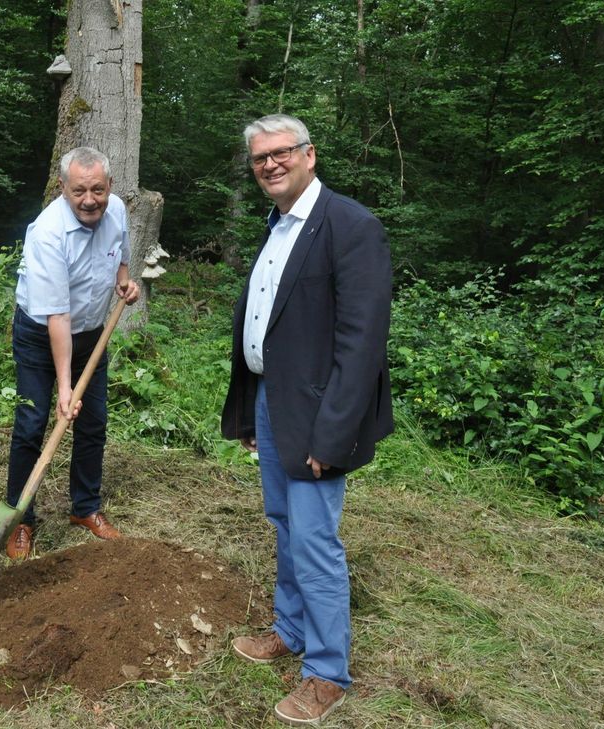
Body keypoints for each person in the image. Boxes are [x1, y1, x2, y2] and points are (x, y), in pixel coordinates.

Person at [221, 114, 393, 725]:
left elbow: (361, 344)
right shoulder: (277, 228)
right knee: (284, 522)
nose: (270, 164)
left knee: (316, 539)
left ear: (309, 155)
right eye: (259, 157)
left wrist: (334, 433)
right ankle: (289, 630)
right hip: (273, 403)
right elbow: (267, 322)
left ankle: (326, 672)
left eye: (281, 153)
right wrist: (250, 409)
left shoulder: (349, 226)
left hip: (320, 413)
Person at [3, 146, 141, 560]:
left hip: (91, 334)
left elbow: (121, 252)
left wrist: (124, 280)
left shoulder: (115, 209)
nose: (89, 200)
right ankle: (20, 520)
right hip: (40, 334)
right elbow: (57, 317)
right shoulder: (48, 233)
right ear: (63, 189)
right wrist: (65, 388)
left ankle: (85, 509)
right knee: (31, 424)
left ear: (109, 186)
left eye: (97, 189)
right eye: (79, 190)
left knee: (94, 423)